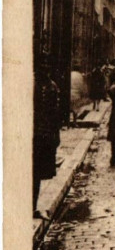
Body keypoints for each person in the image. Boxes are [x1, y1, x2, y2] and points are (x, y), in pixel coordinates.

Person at [33, 53, 61, 215]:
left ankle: (33, 207)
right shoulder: (28, 83)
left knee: (37, 172)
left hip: (44, 135)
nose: (45, 67)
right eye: (42, 64)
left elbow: (55, 114)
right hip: (27, 134)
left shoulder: (52, 86)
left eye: (48, 64)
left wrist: (56, 134)